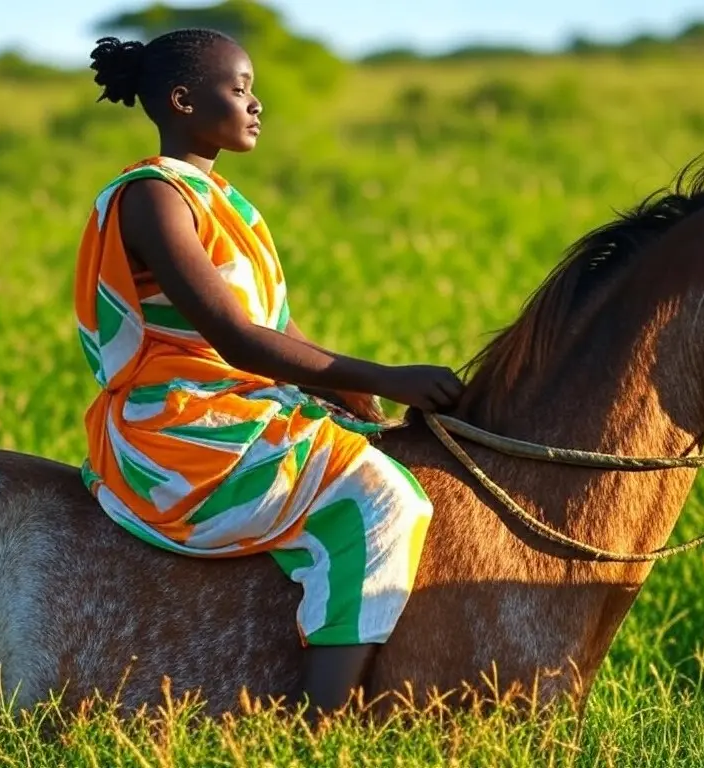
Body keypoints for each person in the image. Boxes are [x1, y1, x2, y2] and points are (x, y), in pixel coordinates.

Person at [74, 29, 464, 720]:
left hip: (241, 401)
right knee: (386, 502)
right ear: (183, 100)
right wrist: (392, 375)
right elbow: (235, 337)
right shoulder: (153, 198)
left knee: (389, 454)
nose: (257, 105)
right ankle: (321, 729)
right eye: (240, 89)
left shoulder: (226, 201)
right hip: (183, 422)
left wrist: (362, 402)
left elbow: (278, 329)